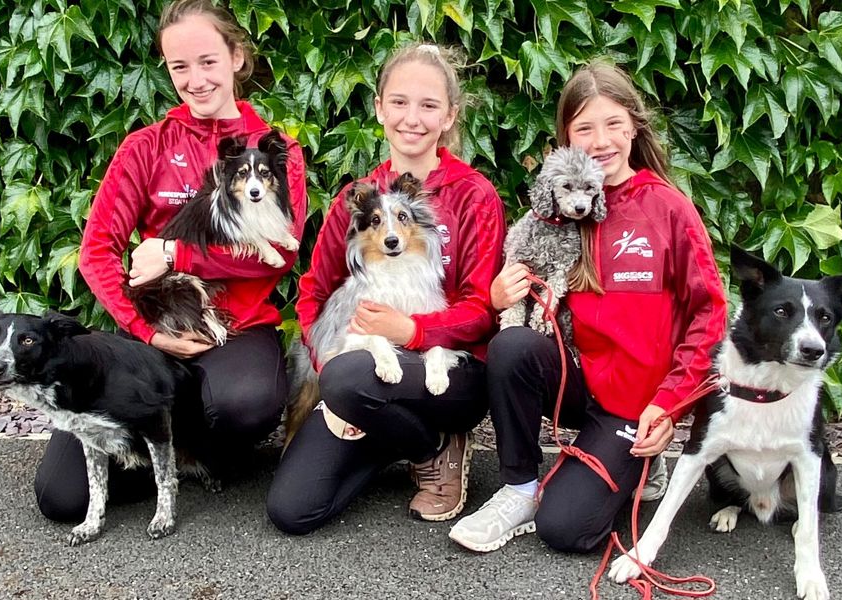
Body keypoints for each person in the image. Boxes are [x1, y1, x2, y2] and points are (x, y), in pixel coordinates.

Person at [34, 0, 307, 522]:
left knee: (244, 403)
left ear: (236, 57)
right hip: (156, 322)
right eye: (179, 66)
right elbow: (97, 249)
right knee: (62, 497)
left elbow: (274, 260)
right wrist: (143, 329)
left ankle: (195, 450)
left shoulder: (275, 152)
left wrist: (175, 250)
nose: (196, 79)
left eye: (207, 61)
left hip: (237, 328)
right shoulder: (145, 147)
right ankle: (165, 447)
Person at [448, 60, 727, 553]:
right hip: (574, 379)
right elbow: (523, 275)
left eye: (613, 124)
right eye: (584, 128)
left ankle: (636, 463)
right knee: (513, 344)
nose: (601, 141)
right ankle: (518, 488)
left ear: (635, 127)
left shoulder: (667, 208)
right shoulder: (555, 210)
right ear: (566, 138)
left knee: (567, 529)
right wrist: (499, 296)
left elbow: (708, 314)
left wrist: (668, 405)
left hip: (632, 402)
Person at [266, 43, 505, 534]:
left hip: (450, 374)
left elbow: (482, 310)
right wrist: (324, 362)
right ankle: (385, 433)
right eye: (398, 102)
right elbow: (313, 291)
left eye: (428, 105)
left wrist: (412, 329)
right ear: (378, 108)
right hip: (363, 372)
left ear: (449, 115)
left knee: (352, 381)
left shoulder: (474, 194)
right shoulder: (356, 198)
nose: (411, 118)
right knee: (292, 510)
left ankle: (435, 445)